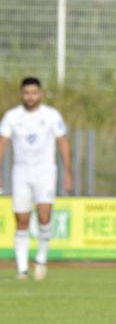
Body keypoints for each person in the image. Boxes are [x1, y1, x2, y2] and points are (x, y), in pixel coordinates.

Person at [0, 77, 73, 281]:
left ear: (40, 93)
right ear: (21, 94)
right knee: (21, 220)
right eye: (26, 92)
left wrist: (68, 173)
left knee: (44, 216)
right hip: (21, 172)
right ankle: (22, 269)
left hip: (45, 172)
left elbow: (63, 143)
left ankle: (41, 260)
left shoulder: (51, 115)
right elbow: (2, 144)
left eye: (34, 92)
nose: (30, 96)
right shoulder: (12, 116)